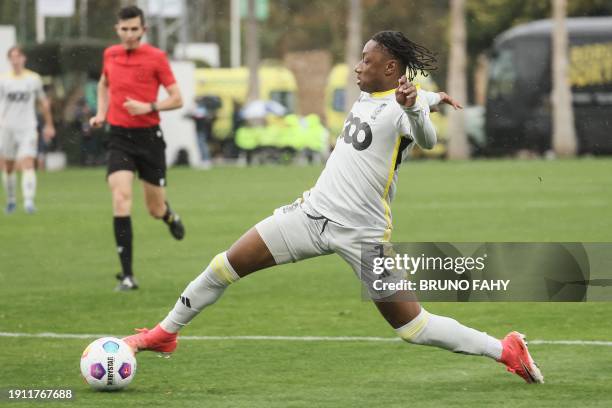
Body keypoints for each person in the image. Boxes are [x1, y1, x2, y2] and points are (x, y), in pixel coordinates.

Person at [123, 31, 544, 384]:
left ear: (390, 68)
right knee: (224, 266)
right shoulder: (372, 95)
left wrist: (418, 107)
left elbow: (426, 137)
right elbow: (405, 98)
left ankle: (504, 350)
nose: (358, 66)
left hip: (364, 237)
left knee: (413, 329)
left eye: (366, 59)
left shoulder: (402, 111)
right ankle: (164, 333)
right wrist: (434, 96)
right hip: (310, 216)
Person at [89, 6, 186, 291]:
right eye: (125, 29)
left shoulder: (156, 57)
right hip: (119, 137)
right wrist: (101, 113)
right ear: (117, 29)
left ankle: (169, 216)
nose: (129, 34)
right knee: (120, 197)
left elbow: (177, 98)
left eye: (135, 29)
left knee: (154, 208)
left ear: (143, 30)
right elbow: (103, 84)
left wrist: (149, 106)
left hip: (149, 139)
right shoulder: (110, 54)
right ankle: (128, 275)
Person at [0, 45, 55, 214]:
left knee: (28, 162)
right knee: (8, 166)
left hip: (27, 127)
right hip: (7, 127)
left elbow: (43, 103)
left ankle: (29, 202)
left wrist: (49, 124)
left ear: (24, 58)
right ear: (9, 59)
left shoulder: (33, 79)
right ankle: (11, 200)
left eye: (18, 56)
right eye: (12, 57)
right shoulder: (3, 80)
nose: (15, 60)